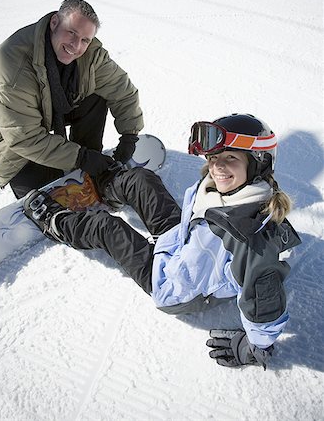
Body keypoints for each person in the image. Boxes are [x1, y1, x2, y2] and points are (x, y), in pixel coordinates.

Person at [23, 114, 301, 369]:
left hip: (174, 284)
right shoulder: (223, 187)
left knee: (107, 227)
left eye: (231, 158)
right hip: (180, 243)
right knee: (142, 180)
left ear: (258, 164)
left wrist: (255, 348)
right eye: (214, 156)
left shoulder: (251, 239)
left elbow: (265, 299)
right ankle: (107, 187)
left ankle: (56, 223)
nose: (218, 166)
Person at [0, 0, 143, 199]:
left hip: (47, 112)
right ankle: (80, 160)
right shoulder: (12, 70)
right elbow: (24, 138)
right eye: (71, 32)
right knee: (55, 196)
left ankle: (88, 165)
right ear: (54, 23)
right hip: (9, 138)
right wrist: (81, 157)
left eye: (85, 40)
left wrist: (129, 135)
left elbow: (121, 89)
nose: (76, 46)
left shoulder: (89, 54)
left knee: (97, 93)